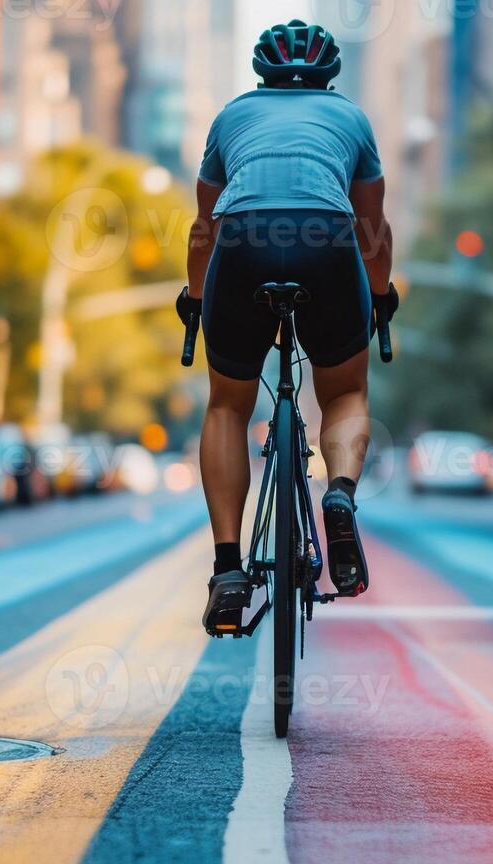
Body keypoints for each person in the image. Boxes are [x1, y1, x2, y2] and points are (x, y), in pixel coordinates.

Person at [176, 19, 398, 634]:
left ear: (261, 74)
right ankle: (340, 495)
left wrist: (197, 302)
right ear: (329, 76)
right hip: (325, 242)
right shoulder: (351, 120)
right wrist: (379, 300)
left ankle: (227, 569)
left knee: (226, 404)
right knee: (345, 392)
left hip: (243, 241)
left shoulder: (230, 118)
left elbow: (203, 229)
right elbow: (372, 231)